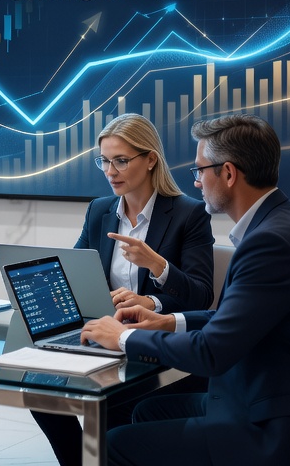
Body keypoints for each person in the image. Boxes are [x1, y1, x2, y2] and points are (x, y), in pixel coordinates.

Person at [83, 113, 290, 466]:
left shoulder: (271, 242)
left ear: (228, 173)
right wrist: (167, 322)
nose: (195, 183)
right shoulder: (281, 224)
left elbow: (211, 353)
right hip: (274, 396)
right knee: (147, 411)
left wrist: (122, 338)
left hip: (277, 426)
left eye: (200, 171)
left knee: (114, 446)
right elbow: (230, 318)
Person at [32, 113, 214, 465]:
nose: (110, 171)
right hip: (103, 335)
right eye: (104, 161)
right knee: (40, 393)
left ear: (150, 160)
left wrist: (156, 276)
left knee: (114, 410)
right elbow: (78, 272)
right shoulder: (100, 211)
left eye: (120, 160)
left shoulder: (188, 215)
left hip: (151, 345)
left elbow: (201, 294)